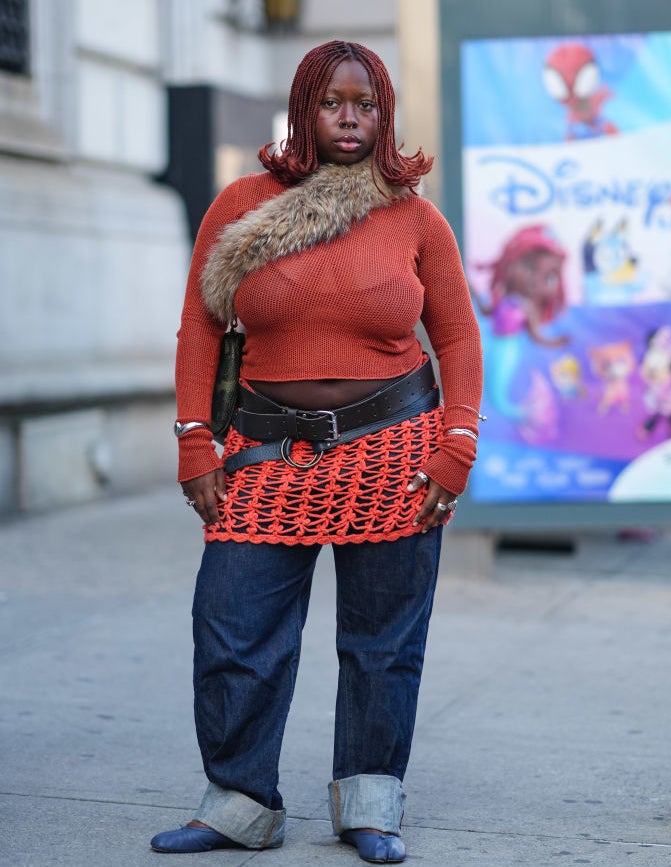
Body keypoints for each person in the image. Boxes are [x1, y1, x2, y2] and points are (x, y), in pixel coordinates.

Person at [151, 40, 483, 864]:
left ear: (383, 115)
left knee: (383, 643)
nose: (348, 117)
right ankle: (240, 804)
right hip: (263, 452)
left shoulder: (414, 217)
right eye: (332, 102)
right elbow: (200, 325)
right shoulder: (242, 204)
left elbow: (456, 335)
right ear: (304, 109)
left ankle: (369, 801)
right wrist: (194, 439)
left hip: (394, 451)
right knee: (231, 630)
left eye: (364, 104)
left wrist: (457, 443)